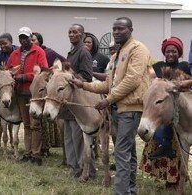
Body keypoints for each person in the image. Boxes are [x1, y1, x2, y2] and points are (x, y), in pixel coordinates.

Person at [72, 17, 150, 195]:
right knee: (127, 150)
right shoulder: (116, 55)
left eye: (120, 29)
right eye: (114, 29)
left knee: (121, 151)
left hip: (130, 108)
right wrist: (83, 85)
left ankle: (120, 192)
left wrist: (109, 99)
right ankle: (130, 190)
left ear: (130, 30)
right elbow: (108, 84)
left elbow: (132, 80)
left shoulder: (138, 49)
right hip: (117, 108)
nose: (116, 32)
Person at [139, 36, 191, 190]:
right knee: (160, 140)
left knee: (175, 151)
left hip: (180, 111)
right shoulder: (158, 67)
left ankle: (176, 181)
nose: (170, 54)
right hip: (164, 111)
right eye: (168, 51)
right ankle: (166, 179)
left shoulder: (184, 66)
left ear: (179, 53)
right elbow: (151, 82)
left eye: (174, 51)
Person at [6, 27, 48, 165]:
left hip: (34, 94)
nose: (23, 40)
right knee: (27, 124)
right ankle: (28, 152)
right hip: (20, 93)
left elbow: (43, 71)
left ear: (31, 37)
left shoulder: (39, 51)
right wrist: (10, 74)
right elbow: (8, 69)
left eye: (26, 37)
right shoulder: (15, 53)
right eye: (21, 38)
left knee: (35, 124)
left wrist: (24, 76)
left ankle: (36, 154)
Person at [64, 23, 96, 178]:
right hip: (69, 101)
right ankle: (74, 168)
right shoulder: (72, 52)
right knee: (69, 137)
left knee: (80, 138)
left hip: (79, 101)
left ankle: (87, 170)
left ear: (82, 35)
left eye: (75, 32)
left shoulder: (83, 52)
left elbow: (87, 77)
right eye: (70, 32)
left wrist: (71, 77)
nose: (72, 34)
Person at [31, 32, 67, 156]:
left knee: (48, 120)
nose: (31, 42)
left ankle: (47, 147)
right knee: (40, 121)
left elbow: (64, 61)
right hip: (38, 89)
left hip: (50, 88)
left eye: (34, 40)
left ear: (40, 41)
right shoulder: (33, 53)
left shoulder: (49, 52)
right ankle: (42, 147)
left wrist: (53, 72)